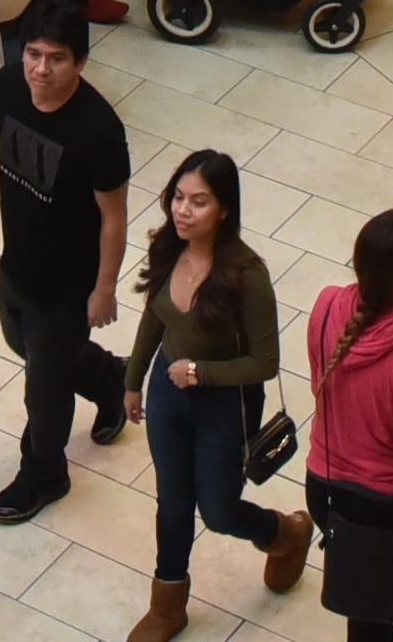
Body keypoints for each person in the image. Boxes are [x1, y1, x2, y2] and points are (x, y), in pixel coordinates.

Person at [119, 147, 295, 637]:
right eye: (178, 196)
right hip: (168, 393)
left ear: (224, 210)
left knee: (217, 511)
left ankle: (284, 533)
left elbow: (265, 363)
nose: (182, 210)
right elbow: (155, 314)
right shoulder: (167, 247)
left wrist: (200, 372)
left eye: (198, 201)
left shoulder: (246, 275)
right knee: (172, 501)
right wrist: (133, 380)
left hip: (225, 403)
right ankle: (167, 603)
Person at [0, 13, 133, 522]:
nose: (41, 69)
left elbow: (114, 216)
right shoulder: (11, 88)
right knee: (30, 348)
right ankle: (108, 378)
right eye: (34, 54)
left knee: (44, 390)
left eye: (57, 59)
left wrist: (104, 289)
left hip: (67, 285)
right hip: (18, 264)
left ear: (80, 63)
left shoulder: (99, 130)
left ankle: (44, 473)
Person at [301, 209, 393, 642]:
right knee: (368, 620)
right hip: (384, 510)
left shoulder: (326, 305)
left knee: (367, 587)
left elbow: (318, 381)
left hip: (322, 485)